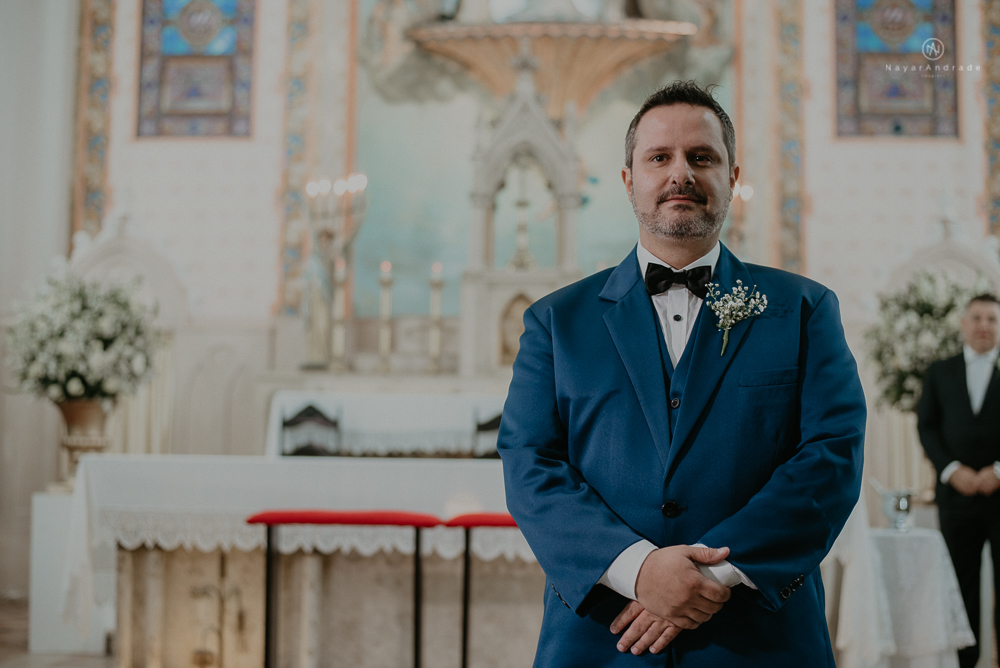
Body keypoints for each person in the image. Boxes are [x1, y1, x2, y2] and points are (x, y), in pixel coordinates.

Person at [496, 80, 867, 667]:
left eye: (702, 157)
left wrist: (715, 575)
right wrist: (638, 570)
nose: (680, 174)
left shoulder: (803, 310)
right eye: (659, 158)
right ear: (628, 181)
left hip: (757, 639)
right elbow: (529, 461)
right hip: (605, 638)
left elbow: (832, 455)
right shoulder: (556, 322)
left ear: (733, 176)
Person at [917, 293, 1000, 668]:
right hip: (956, 499)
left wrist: (997, 472)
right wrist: (952, 470)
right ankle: (966, 662)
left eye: (993, 319)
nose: (984, 325)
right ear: (964, 324)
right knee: (960, 588)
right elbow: (927, 427)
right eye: (977, 318)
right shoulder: (939, 372)